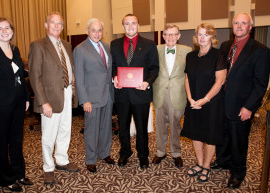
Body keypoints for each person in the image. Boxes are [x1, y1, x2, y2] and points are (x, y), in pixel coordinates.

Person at [211, 13, 270, 189]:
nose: (239, 26)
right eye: (236, 23)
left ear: (250, 27)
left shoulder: (260, 51)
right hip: (222, 102)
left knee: (239, 141)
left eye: (243, 23)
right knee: (223, 136)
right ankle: (223, 161)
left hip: (241, 105)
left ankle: (238, 172)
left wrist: (249, 107)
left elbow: (260, 85)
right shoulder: (225, 45)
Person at [0, 17, 33, 192]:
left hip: (17, 103)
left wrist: (26, 98)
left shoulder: (14, 49)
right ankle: (6, 179)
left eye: (7, 28)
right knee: (2, 143)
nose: (4, 31)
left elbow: (21, 78)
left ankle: (19, 174)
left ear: (12, 30)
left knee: (17, 140)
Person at [28, 12, 79, 185]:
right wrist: (43, 102)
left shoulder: (66, 44)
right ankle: (48, 167)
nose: (56, 26)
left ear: (63, 27)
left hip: (66, 93)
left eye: (59, 23)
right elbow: (35, 77)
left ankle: (62, 160)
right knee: (49, 135)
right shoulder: (38, 45)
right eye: (53, 23)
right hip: (49, 98)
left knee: (65, 130)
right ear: (46, 24)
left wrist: (73, 89)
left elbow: (69, 69)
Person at [111, 14, 159, 169]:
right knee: (123, 127)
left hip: (141, 94)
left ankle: (143, 155)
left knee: (141, 128)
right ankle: (125, 153)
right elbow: (113, 66)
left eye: (133, 23)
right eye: (126, 24)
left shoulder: (149, 44)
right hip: (122, 94)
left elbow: (154, 68)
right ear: (123, 26)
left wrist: (147, 82)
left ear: (138, 25)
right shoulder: (114, 44)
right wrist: (114, 77)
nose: (130, 26)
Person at [181, 23, 227, 182]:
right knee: (196, 134)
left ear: (212, 37)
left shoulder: (219, 55)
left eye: (206, 35)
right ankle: (199, 164)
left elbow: (220, 82)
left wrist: (205, 100)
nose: (202, 38)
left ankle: (207, 166)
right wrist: (190, 99)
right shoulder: (191, 56)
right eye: (199, 34)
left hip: (212, 103)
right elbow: (186, 79)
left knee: (210, 136)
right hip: (194, 102)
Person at [73, 18, 115, 173]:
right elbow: (79, 76)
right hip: (91, 98)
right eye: (93, 30)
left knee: (106, 128)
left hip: (107, 95)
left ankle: (105, 153)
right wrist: (85, 100)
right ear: (87, 31)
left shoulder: (105, 46)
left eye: (99, 30)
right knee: (91, 129)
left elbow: (107, 70)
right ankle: (90, 159)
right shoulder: (80, 49)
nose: (97, 33)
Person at [152, 25, 192, 167]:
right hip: (160, 93)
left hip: (178, 94)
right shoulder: (155, 49)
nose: (170, 37)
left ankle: (176, 153)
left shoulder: (187, 51)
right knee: (161, 126)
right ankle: (160, 152)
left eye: (173, 34)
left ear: (179, 36)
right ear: (163, 36)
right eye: (167, 34)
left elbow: (191, 74)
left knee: (175, 126)